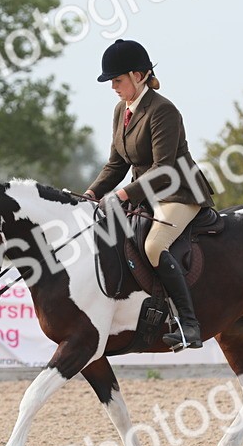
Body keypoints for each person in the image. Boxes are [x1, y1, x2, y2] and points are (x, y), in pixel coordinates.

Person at [83, 39, 215, 348]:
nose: (113, 87)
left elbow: (163, 169)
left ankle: (189, 324)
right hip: (145, 195)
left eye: (117, 80)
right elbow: (116, 164)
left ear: (138, 76)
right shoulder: (121, 110)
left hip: (178, 192)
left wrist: (123, 196)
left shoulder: (163, 110)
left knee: (154, 246)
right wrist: (90, 193)